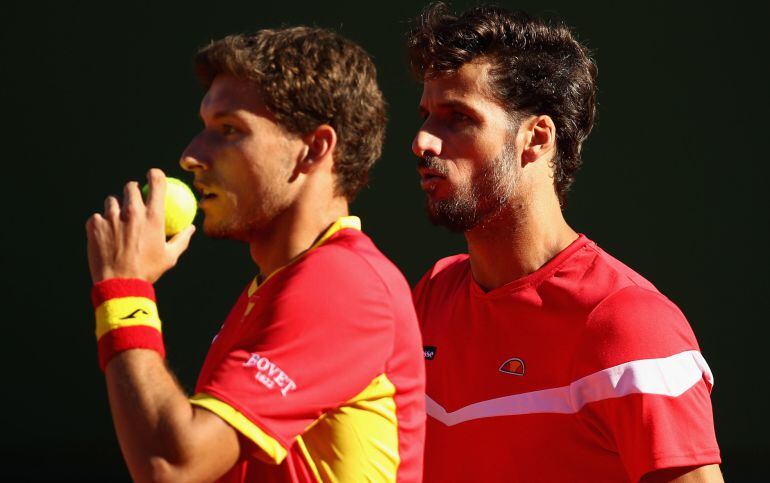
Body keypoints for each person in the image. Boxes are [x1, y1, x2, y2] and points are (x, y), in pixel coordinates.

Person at [85, 26, 425, 483]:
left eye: (229, 130)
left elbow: (171, 464)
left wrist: (124, 290)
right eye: (204, 128)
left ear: (314, 149)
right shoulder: (275, 287)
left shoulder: (344, 285)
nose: (191, 155)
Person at [407, 4, 721, 482]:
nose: (423, 141)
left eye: (457, 118)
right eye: (427, 115)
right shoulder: (431, 295)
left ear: (536, 137)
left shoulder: (631, 325)